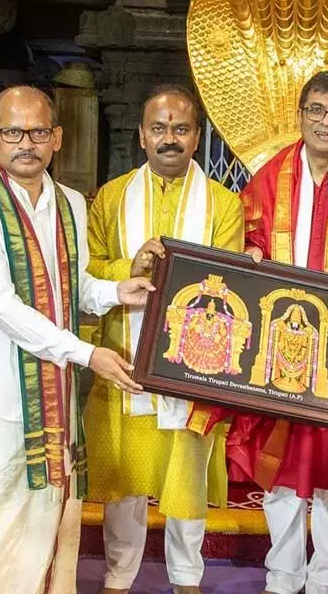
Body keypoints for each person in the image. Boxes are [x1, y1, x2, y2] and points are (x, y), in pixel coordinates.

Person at [190, 70, 328, 594]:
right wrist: (252, 256)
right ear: (301, 114)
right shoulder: (267, 179)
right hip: (278, 351)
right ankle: (283, 576)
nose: (325, 122)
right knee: (282, 471)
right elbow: (250, 240)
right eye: (316, 110)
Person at [0, 85, 155, 593]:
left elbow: (71, 286)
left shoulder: (71, 202)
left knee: (46, 525)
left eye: (37, 131)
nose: (26, 143)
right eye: (13, 132)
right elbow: (4, 305)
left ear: (57, 138)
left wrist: (120, 291)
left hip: (52, 392)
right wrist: (87, 354)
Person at [85, 84, 244, 594]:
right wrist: (126, 268)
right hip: (125, 357)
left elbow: (231, 279)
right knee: (124, 478)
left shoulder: (223, 204)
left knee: (186, 476)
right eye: (159, 128)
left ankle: (187, 578)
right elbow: (87, 272)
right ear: (141, 135)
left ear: (197, 137)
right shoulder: (111, 197)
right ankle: (118, 575)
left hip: (192, 365)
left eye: (180, 129)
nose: (169, 138)